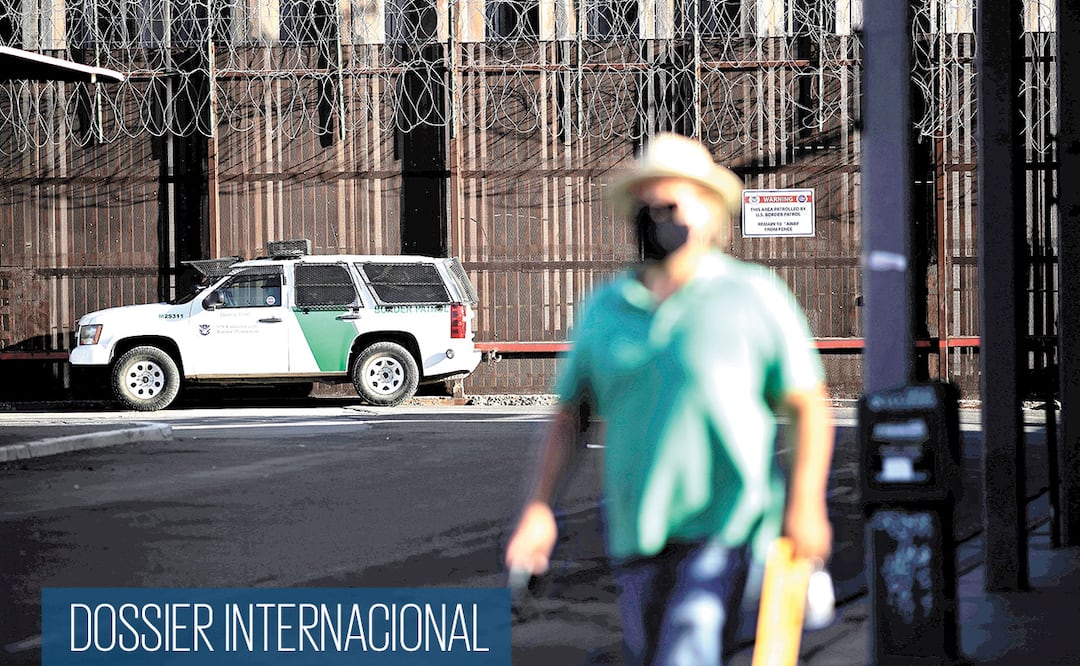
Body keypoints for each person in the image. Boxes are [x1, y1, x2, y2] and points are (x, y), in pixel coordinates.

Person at [504, 132, 835, 665]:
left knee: (687, 651)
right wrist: (539, 510)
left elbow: (806, 404)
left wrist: (805, 504)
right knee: (659, 651)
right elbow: (571, 416)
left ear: (707, 213)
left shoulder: (753, 297)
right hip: (639, 531)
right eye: (645, 205)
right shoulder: (606, 309)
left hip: (730, 526)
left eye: (670, 203)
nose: (656, 216)